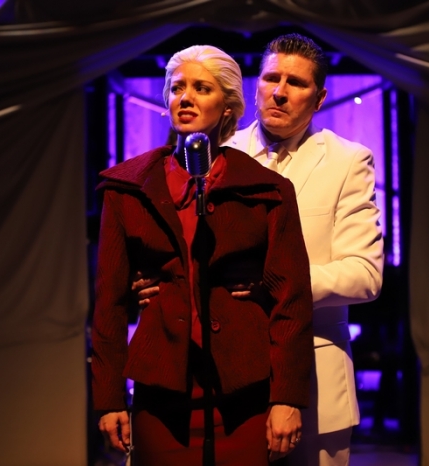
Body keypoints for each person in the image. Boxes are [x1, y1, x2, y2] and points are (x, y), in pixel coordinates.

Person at [135, 34, 384, 465]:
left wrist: (277, 283)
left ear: (320, 98)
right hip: (223, 377)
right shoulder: (216, 152)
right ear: (255, 86)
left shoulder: (347, 160)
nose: (279, 92)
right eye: (271, 78)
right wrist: (157, 282)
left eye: (296, 83)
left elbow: (365, 275)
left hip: (314, 379)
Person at [91, 45, 314, 466]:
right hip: (162, 387)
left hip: (243, 387)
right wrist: (108, 398)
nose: (186, 98)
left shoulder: (268, 191)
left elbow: (293, 302)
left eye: (201, 88)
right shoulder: (127, 189)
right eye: (177, 88)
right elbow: (109, 305)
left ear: (228, 106)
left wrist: (287, 397)